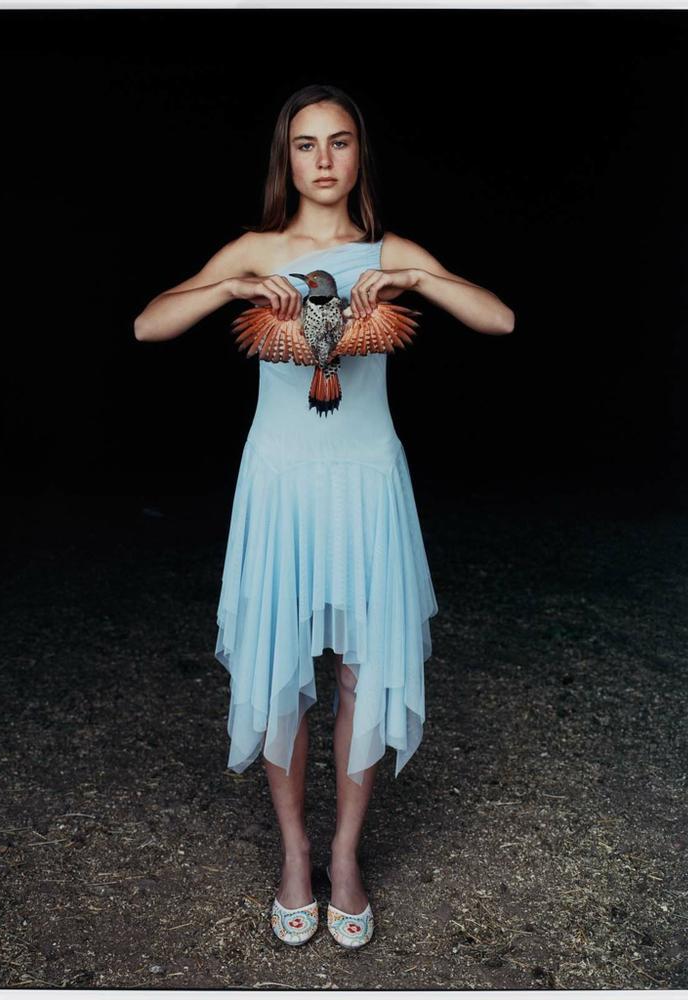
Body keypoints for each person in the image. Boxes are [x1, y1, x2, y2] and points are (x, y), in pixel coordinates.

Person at [134, 83, 514, 949]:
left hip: (366, 481)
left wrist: (421, 275)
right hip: (282, 482)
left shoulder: (387, 248)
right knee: (278, 669)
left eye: (339, 143)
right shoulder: (257, 249)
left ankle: (346, 856)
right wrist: (229, 284)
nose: (324, 161)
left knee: (357, 674)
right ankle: (295, 855)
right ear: (287, 158)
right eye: (307, 145)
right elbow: (148, 326)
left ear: (358, 154)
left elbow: (500, 318)